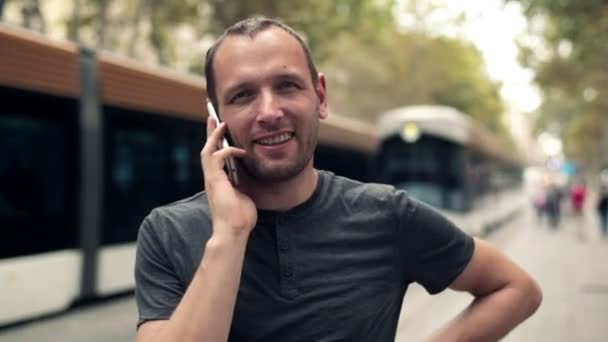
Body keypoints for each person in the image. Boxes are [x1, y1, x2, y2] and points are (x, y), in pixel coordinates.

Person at [134, 16, 542, 342]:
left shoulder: (387, 214)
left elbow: (515, 288)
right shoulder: (167, 232)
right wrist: (230, 234)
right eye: (243, 95)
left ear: (321, 97)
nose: (270, 110)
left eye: (287, 85)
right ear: (217, 118)